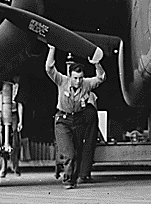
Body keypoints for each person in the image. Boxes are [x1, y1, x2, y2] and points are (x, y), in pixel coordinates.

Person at [45, 45, 106, 189]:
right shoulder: (62, 81)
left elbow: (101, 77)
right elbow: (49, 68)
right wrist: (52, 50)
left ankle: (74, 178)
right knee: (69, 153)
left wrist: (96, 63)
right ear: (70, 76)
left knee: (77, 152)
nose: (78, 81)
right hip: (63, 121)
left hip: (78, 120)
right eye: (75, 78)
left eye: (80, 78)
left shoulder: (86, 84)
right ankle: (67, 180)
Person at [0, 77, 24, 177]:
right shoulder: (0, 86)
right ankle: (3, 167)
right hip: (2, 114)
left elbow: (19, 104)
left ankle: (15, 166)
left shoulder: (17, 87)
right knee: (1, 139)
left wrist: (20, 121)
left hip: (14, 115)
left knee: (15, 142)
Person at [77, 92, 99, 184]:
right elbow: (95, 106)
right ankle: (85, 174)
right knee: (89, 144)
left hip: (77, 114)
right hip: (90, 112)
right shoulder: (91, 93)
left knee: (77, 144)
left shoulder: (73, 92)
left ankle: (76, 174)